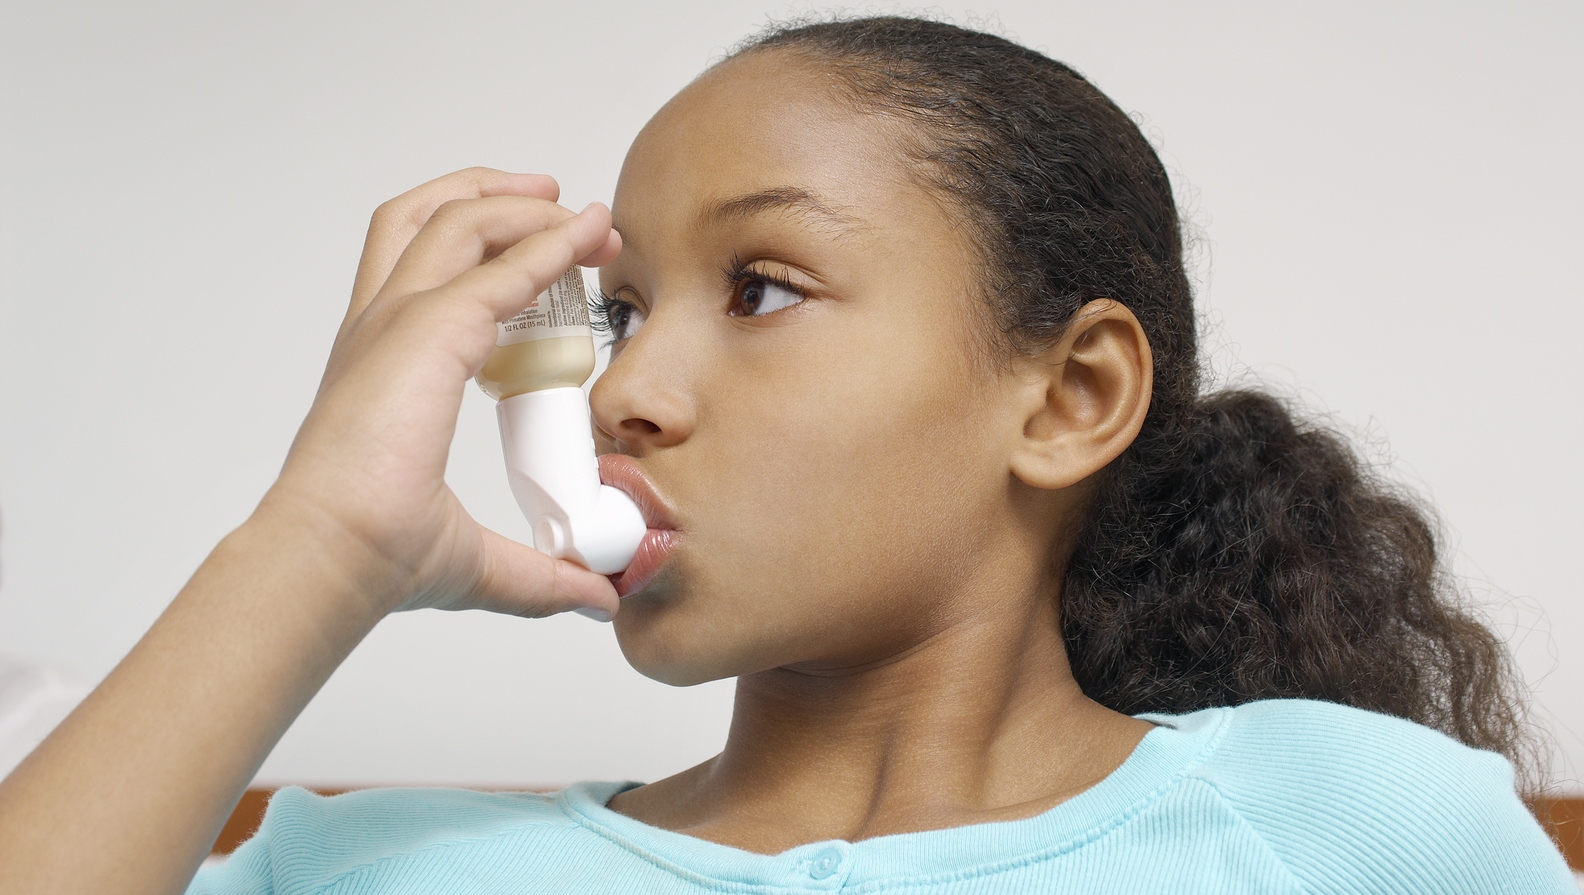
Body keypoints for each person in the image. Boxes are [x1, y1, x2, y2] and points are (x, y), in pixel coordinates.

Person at [0, 16, 1573, 895]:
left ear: (1069, 398)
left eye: (760, 289)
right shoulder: (378, 873)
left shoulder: (1353, 831)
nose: (623, 392)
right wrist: (322, 541)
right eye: (619, 314)